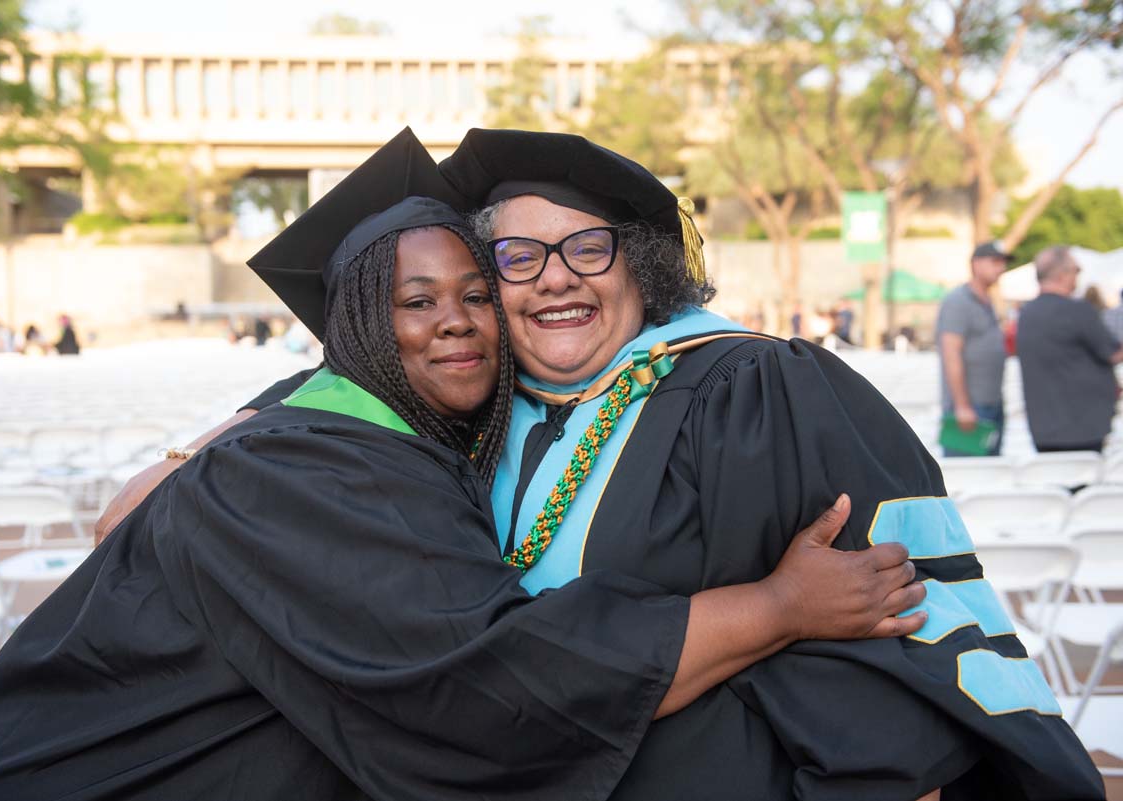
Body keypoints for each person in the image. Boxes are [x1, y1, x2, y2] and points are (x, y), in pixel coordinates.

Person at [99, 129, 1103, 800]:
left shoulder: (761, 388)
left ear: (644, 264)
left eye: (588, 248)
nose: (555, 279)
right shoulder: (444, 410)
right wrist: (240, 420)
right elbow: (129, 519)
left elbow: (901, 628)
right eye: (513, 259)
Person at [0, 131, 925, 801]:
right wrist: (780, 608)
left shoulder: (357, 442)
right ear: (358, 328)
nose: (457, 319)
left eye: (474, 293)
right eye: (414, 302)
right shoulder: (307, 471)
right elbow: (496, 685)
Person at [1017, 245, 1123, 453]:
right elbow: (1113, 354)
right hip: (1083, 424)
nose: (1077, 276)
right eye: (1076, 270)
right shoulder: (1078, 310)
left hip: (1043, 425)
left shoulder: (1026, 313)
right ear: (1062, 273)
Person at [936, 240, 1010, 456]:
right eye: (995, 262)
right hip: (969, 408)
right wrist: (961, 405)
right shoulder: (958, 301)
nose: (1001, 268)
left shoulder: (987, 300)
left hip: (990, 402)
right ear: (976, 264)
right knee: (970, 473)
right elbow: (951, 353)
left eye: (1002, 262)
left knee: (991, 473)